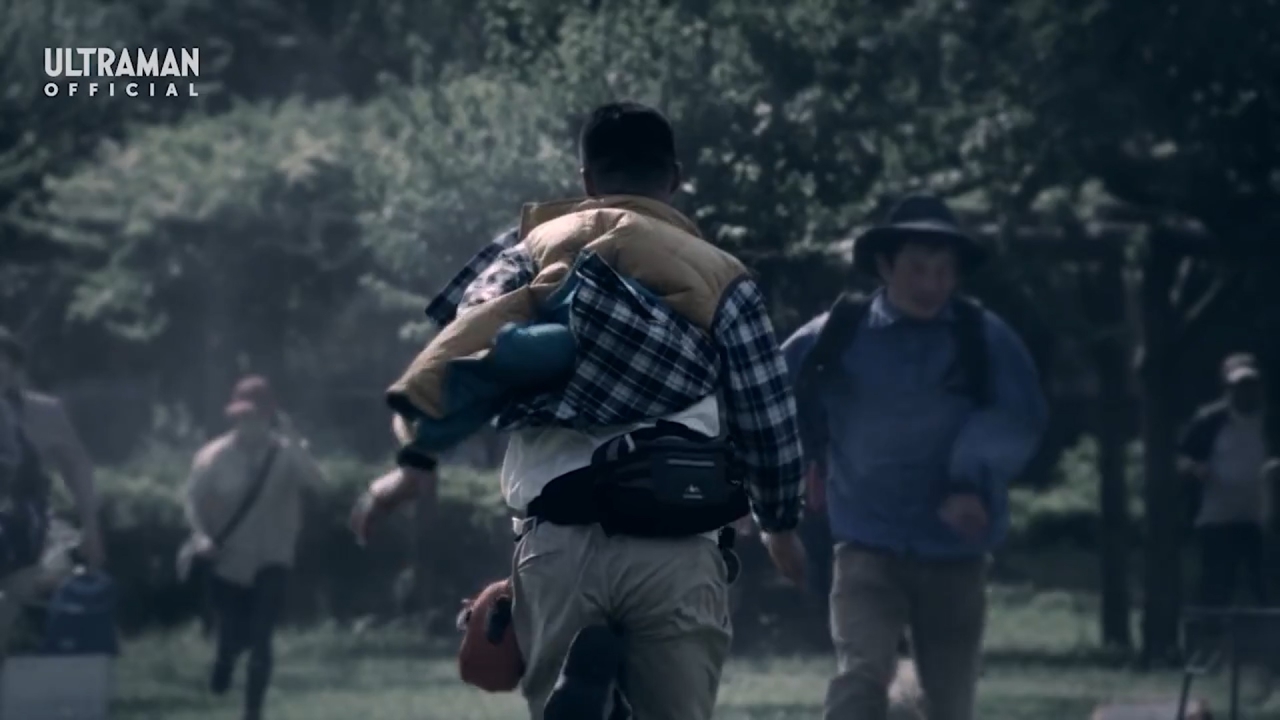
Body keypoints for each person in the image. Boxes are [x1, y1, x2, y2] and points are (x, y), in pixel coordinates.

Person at [351, 101, 807, 720]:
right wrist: (779, 524)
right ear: (675, 178)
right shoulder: (722, 275)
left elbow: (464, 352)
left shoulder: (528, 251)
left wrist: (413, 462)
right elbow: (766, 415)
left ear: (587, 179)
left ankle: (589, 697)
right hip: (677, 537)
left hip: (556, 540)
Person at [780, 195, 1047, 720]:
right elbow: (765, 397)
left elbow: (1021, 415)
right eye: (918, 269)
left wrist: (970, 477)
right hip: (865, 544)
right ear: (885, 267)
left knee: (949, 700)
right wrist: (767, 481)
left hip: (954, 551)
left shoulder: (982, 337)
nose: (932, 284)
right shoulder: (838, 334)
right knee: (861, 677)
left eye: (944, 271)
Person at [184, 375, 323, 720]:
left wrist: (295, 440)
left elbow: (318, 483)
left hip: (273, 557)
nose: (248, 424)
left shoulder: (287, 453)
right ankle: (224, 660)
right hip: (228, 561)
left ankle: (252, 712)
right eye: (242, 416)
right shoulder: (212, 457)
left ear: (270, 416)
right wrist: (200, 537)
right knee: (232, 636)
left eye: (256, 416)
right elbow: (192, 503)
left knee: (262, 636)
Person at [0, 325, 106, 655]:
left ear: (14, 367)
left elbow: (78, 468)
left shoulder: (42, 413)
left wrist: (91, 527)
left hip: (24, 531)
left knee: (22, 593)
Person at [1178, 353, 1275, 609]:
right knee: (1216, 587)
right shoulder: (1209, 421)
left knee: (1262, 590)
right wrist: (1194, 469)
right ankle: (1209, 632)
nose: (1246, 392)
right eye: (1239, 386)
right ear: (1227, 388)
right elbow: (1182, 457)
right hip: (1217, 518)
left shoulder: (1271, 421)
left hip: (1262, 522)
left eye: (1251, 385)